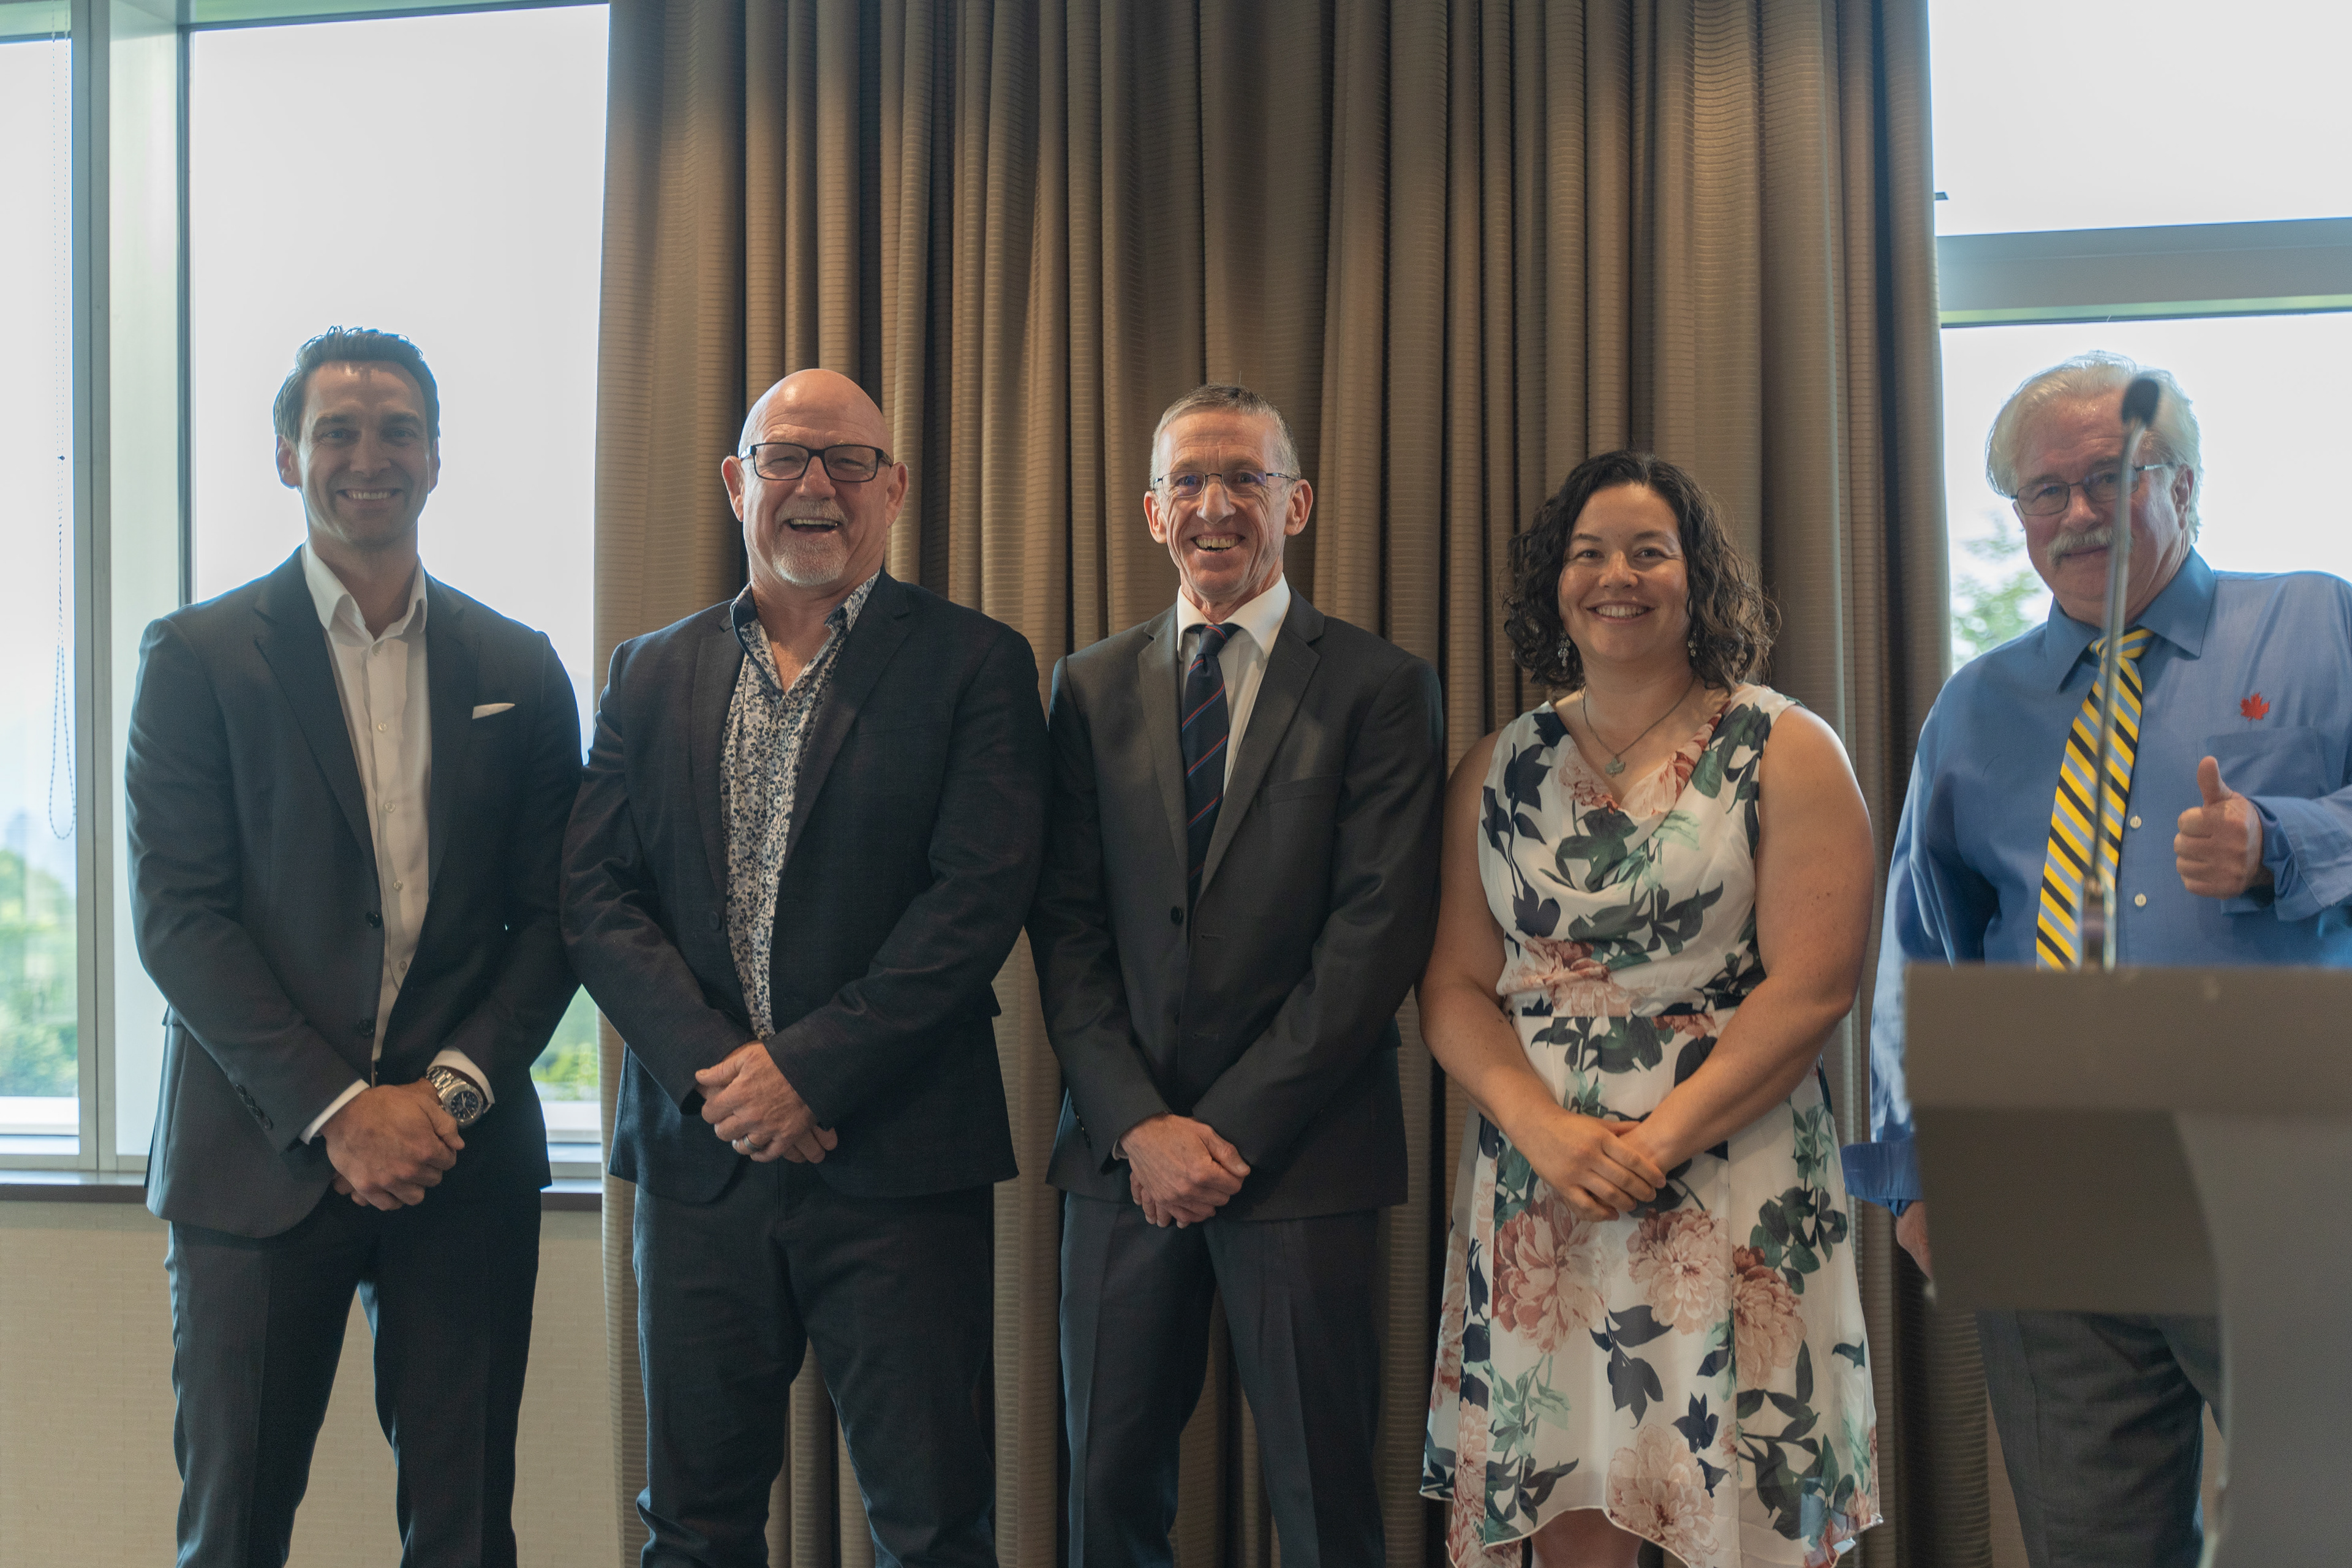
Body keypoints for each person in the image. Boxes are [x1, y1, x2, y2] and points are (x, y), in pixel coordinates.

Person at [1842, 351, 2352, 1568]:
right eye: (2044, 490)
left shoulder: (2317, 621)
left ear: (2183, 485)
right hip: (2051, 1190)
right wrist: (1916, 1175)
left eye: (2111, 477)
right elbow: (1920, 949)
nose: (2077, 512)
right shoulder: (1976, 708)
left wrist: (2282, 840)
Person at [563, 368, 1049, 1567]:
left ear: (894, 489)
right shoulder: (647, 671)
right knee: (692, 1528)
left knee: (932, 1529)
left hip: (900, 1165)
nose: (815, 484)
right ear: (739, 483)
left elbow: (976, 901)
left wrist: (809, 1074)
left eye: (847, 460)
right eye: (786, 457)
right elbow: (595, 895)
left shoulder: (977, 664)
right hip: (699, 1166)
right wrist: (725, 1074)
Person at [127, 326, 581, 1566]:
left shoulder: (520, 666)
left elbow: (555, 917)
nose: (368, 456)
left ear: (436, 458)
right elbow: (179, 916)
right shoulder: (196, 658)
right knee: (233, 1531)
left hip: (460, 1162)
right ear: (288, 455)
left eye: (397, 432)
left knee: (466, 1531)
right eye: (337, 431)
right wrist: (340, 1111)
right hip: (255, 1161)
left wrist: (441, 1098)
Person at [1419, 451, 1882, 1568]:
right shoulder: (1496, 767)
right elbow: (1453, 989)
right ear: (1555, 584)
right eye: (1588, 554)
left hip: (1733, 1172)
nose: (1615, 577)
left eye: (1648, 552)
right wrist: (1544, 1131)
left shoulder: (1785, 746)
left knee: (1753, 1527)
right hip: (1547, 1191)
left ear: (1697, 578)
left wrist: (1657, 1143)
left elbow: (1815, 987)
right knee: (1570, 1518)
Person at [1028, 383, 1445, 1566]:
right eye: (1188, 482)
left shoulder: (1379, 686)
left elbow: (1375, 936)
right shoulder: (1086, 686)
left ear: (1296, 504)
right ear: (1152, 511)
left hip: (1306, 1155)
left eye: (1244, 479)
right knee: (1106, 1498)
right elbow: (1065, 928)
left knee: (1324, 1504)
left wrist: (1224, 1134)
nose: (1214, 506)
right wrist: (1140, 1128)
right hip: (1121, 1165)